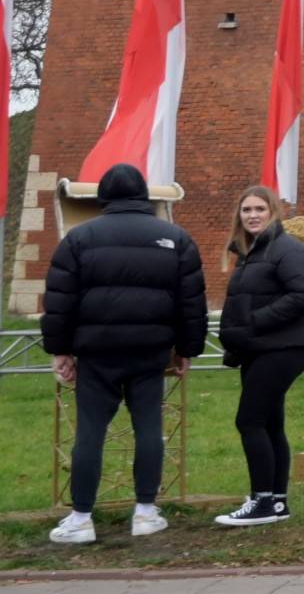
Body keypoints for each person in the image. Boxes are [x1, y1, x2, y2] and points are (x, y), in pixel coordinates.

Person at [40, 162, 208, 545]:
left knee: (89, 434)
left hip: (96, 354)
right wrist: (187, 349)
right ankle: (146, 512)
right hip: (151, 352)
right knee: (149, 428)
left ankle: (81, 518)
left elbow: (60, 302)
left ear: (104, 197)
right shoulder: (176, 239)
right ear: (143, 195)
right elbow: (191, 303)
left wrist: (60, 350)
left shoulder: (78, 239)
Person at [215, 185, 304, 527]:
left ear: (273, 212)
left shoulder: (289, 250)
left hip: (282, 348)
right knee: (271, 423)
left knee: (250, 421)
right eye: (247, 210)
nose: (253, 215)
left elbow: (303, 295)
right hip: (259, 348)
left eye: (260, 209)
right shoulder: (250, 253)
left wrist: (255, 322)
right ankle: (276, 502)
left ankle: (261, 500)